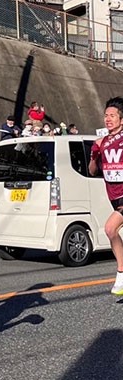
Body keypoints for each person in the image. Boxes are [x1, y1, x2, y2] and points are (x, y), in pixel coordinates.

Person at [88, 97, 123, 295]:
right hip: (114, 197)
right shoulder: (101, 142)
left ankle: (121, 273)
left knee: (110, 228)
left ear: (121, 119)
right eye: (106, 115)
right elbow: (92, 170)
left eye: (112, 115)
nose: (108, 119)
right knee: (112, 231)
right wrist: (95, 154)